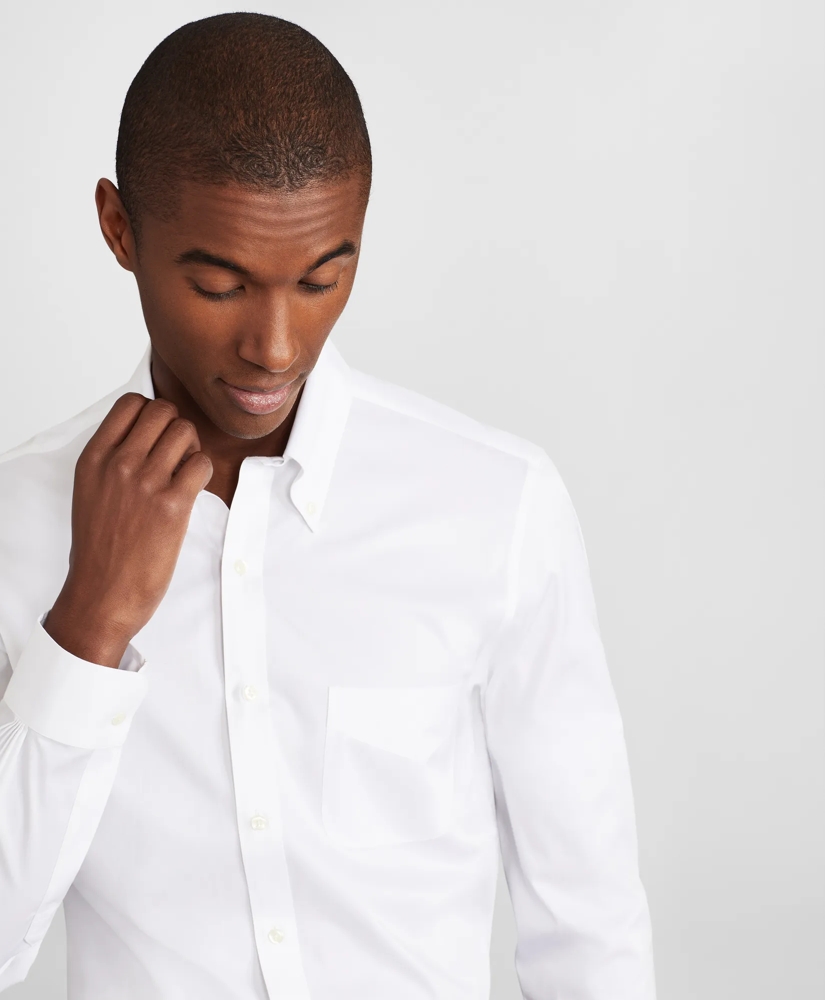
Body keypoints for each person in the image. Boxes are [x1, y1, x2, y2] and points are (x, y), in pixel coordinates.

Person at [0, 12, 656, 1000]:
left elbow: (589, 925)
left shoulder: (494, 506)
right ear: (120, 228)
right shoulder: (16, 525)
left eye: (321, 278)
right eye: (219, 283)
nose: (275, 346)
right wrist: (88, 627)